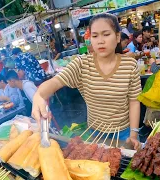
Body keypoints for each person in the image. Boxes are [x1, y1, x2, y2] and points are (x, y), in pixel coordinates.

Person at [32, 13, 142, 150]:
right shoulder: (82, 64)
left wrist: (134, 133)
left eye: (106, 34)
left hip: (123, 133)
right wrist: (39, 95)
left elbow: (134, 101)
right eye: (95, 36)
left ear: (118, 36)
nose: (100, 41)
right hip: (95, 132)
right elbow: (55, 82)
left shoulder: (129, 65)